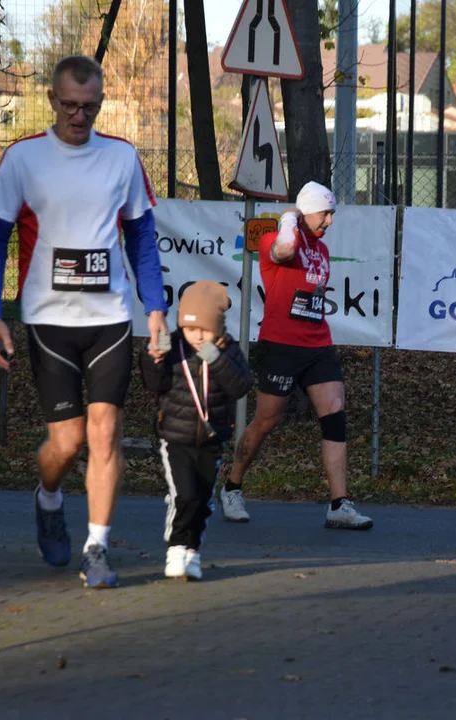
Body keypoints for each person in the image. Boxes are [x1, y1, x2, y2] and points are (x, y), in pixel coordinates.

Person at [0, 55, 169, 587]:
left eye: (88, 107)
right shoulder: (23, 159)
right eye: (69, 106)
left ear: (101, 103)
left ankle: (97, 547)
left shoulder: (122, 158)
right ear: (52, 101)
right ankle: (48, 497)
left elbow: (142, 240)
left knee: (105, 433)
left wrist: (155, 310)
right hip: (48, 320)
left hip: (108, 317)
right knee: (66, 444)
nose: (78, 117)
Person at [221, 181, 373, 530]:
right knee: (266, 421)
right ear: (306, 212)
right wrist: (289, 217)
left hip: (318, 344)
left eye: (332, 214)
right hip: (281, 345)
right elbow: (286, 249)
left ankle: (339, 504)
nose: (330, 222)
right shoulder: (274, 241)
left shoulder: (320, 249)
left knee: (335, 415)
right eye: (325, 213)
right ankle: (232, 488)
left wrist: (301, 219)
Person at [140, 281, 252, 580]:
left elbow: (241, 386)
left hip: (212, 438)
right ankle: (176, 547)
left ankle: (192, 551)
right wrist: (154, 358)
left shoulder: (227, 349)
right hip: (175, 437)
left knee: (202, 501)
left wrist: (216, 361)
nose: (197, 336)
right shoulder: (172, 344)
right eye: (190, 329)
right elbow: (154, 385)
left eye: (204, 329)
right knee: (184, 495)